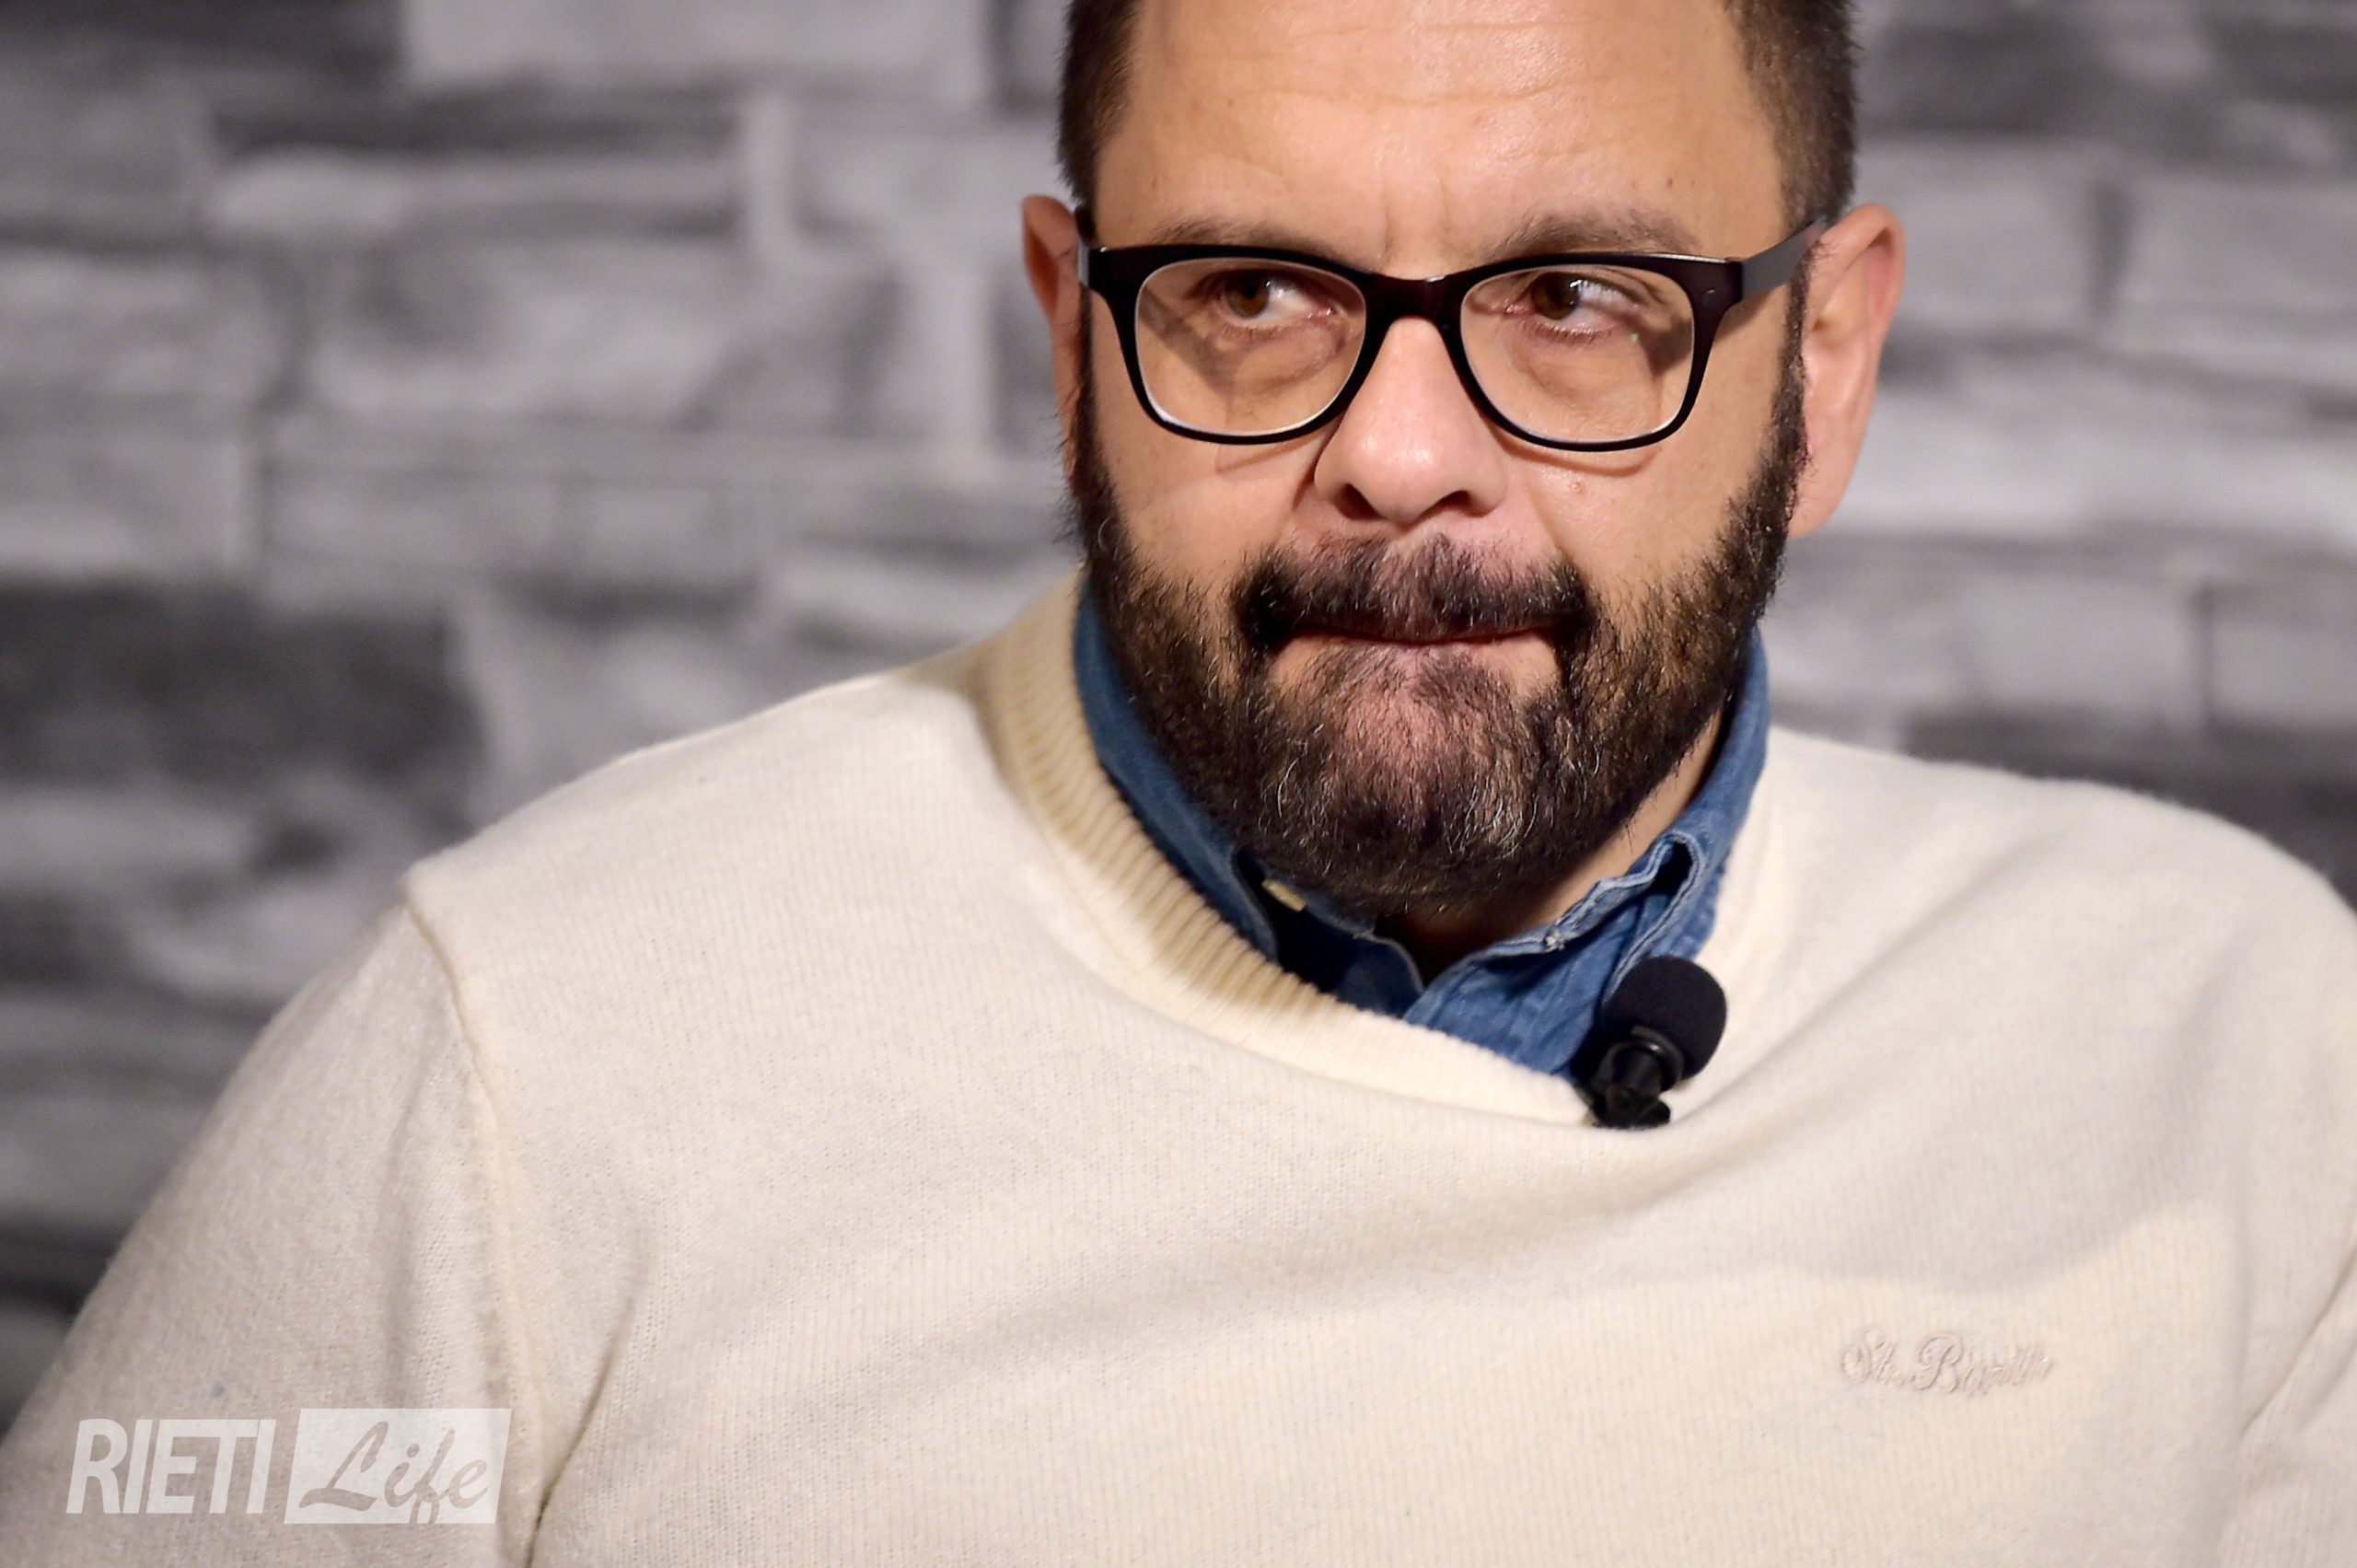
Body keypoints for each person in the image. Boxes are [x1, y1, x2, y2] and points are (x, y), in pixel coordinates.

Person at [2, 0, 2351, 1560]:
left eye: (1572, 302)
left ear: (1817, 369)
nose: (1399, 458)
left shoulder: (2229, 1047)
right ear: (1069, 343)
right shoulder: (517, 1058)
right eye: (1250, 292)